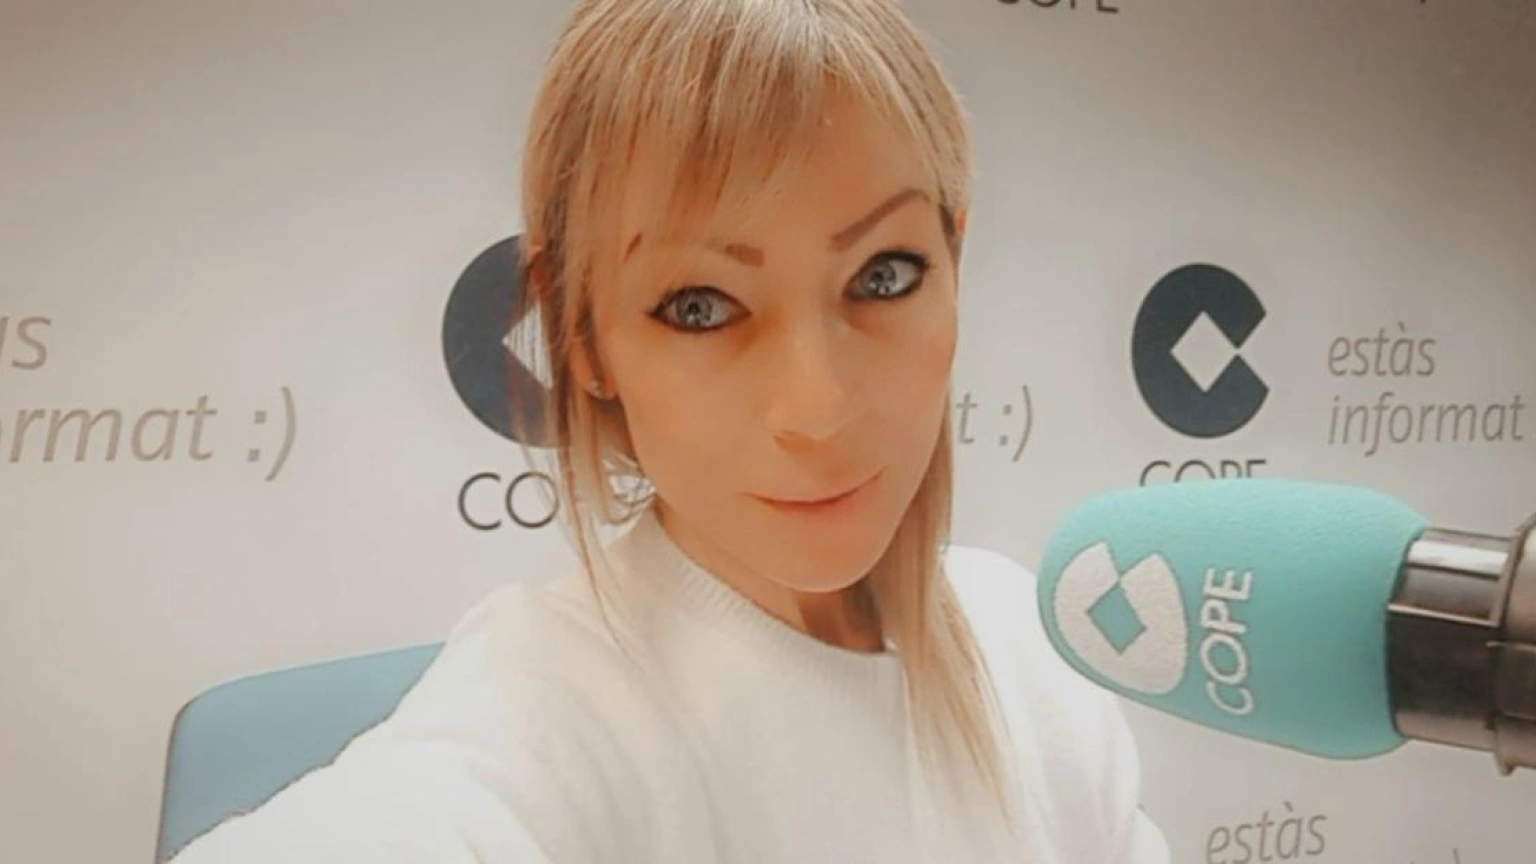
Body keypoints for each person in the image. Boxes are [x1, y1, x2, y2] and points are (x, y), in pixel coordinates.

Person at [168, 0, 1171, 861]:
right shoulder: (553, 704)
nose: (817, 408)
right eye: (701, 306)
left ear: (955, 263)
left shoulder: (1034, 646)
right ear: (581, 334)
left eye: (883, 275)